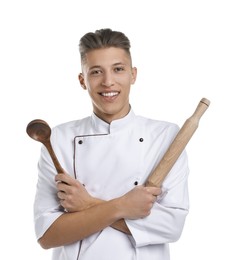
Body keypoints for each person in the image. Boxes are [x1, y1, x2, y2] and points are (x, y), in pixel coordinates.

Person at [34, 28, 189, 260]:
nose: (108, 82)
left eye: (118, 69)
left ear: (133, 74)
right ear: (82, 80)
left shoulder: (166, 137)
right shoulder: (58, 139)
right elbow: (47, 235)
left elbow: (171, 227)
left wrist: (87, 204)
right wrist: (124, 206)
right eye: (96, 72)